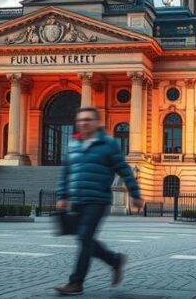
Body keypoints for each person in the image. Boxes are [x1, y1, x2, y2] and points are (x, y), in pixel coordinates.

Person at [54, 106, 144, 296]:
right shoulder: (73, 144)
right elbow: (66, 172)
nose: (84, 123)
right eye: (80, 120)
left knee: (85, 238)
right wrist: (63, 196)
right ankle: (115, 260)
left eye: (88, 119)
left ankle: (76, 282)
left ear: (97, 123)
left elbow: (124, 169)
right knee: (84, 239)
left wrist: (135, 194)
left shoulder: (108, 144)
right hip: (78, 199)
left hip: (98, 199)